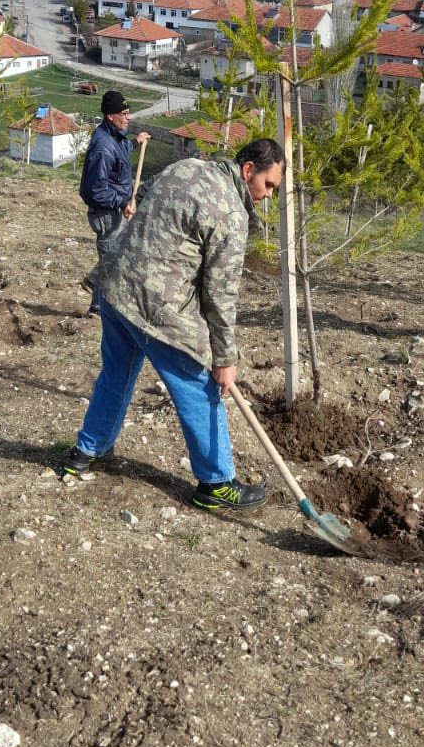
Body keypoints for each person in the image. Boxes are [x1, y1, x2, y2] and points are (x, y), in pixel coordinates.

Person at [61, 138, 285, 512]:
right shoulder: (231, 212)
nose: (268, 196)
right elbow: (220, 295)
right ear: (248, 171)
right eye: (268, 185)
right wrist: (224, 359)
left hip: (116, 286)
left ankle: (86, 451)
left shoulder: (186, 166)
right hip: (156, 305)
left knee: (116, 374)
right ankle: (216, 483)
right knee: (200, 385)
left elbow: (144, 194)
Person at [78, 91, 150, 316]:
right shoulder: (102, 148)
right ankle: (98, 304)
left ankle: (101, 303)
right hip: (106, 213)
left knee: (118, 254)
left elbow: (118, 155)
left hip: (115, 208)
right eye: (124, 114)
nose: (128, 117)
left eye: (129, 113)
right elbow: (96, 190)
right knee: (112, 258)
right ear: (110, 116)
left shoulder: (113, 137)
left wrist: (135, 143)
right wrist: (122, 203)